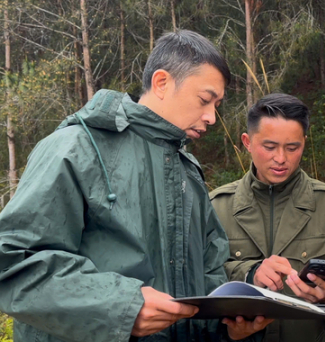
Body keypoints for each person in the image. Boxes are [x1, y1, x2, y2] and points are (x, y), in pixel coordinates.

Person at [0, 30, 271, 342]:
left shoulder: (189, 172)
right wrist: (121, 308)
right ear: (161, 83)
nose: (211, 117)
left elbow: (209, 274)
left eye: (217, 105)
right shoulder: (75, 148)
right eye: (204, 100)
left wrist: (229, 329)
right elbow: (14, 264)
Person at [210, 93, 325, 342]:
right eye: (269, 147)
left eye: (292, 148)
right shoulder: (217, 205)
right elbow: (203, 276)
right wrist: (250, 273)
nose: (281, 159)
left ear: (304, 144)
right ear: (247, 142)